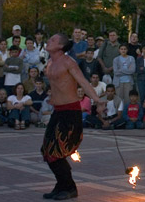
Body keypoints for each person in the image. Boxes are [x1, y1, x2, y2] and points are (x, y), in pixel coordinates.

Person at [41, 33, 105, 200]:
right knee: (47, 151)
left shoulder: (69, 62)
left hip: (70, 111)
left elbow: (83, 82)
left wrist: (97, 100)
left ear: (61, 46)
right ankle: (62, 184)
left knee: (57, 152)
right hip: (58, 111)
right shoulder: (49, 62)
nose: (49, 41)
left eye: (53, 40)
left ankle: (69, 187)